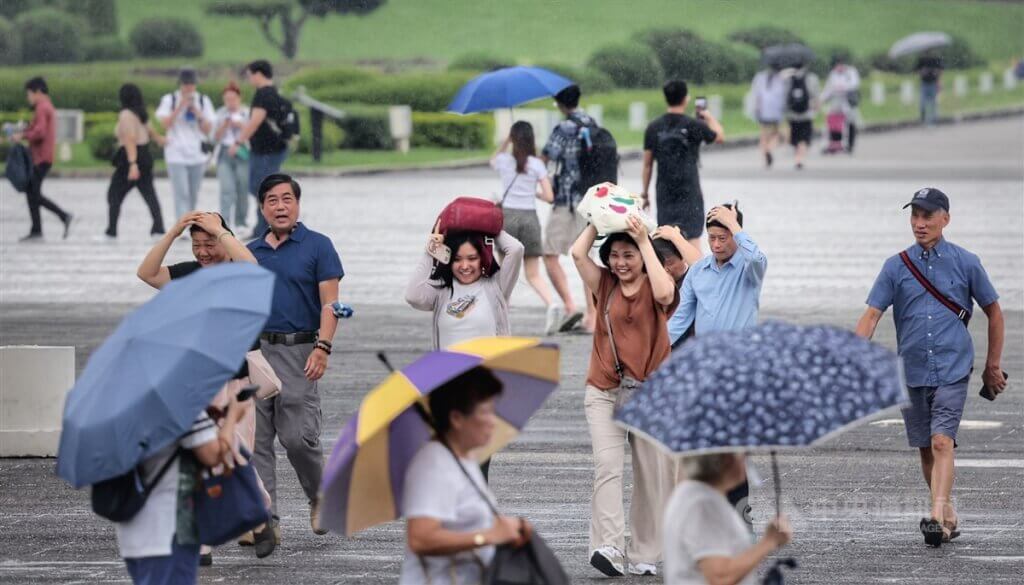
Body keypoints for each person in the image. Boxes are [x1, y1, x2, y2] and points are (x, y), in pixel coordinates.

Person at [855, 187, 1005, 547]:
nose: (920, 224)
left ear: (945, 219)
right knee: (926, 447)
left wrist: (992, 365)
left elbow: (994, 312)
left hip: (954, 365)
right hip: (912, 369)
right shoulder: (895, 266)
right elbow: (872, 314)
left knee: (942, 441)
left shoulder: (966, 261)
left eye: (927, 216)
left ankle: (936, 516)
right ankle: (948, 513)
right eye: (915, 216)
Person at [136, 211, 272, 564]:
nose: (203, 252)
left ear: (224, 239)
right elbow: (147, 273)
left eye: (208, 243)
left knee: (236, 452)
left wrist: (220, 231)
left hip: (237, 381)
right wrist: (173, 233)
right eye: (196, 245)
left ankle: (261, 511)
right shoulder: (188, 274)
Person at [571, 216, 679, 577]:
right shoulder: (605, 283)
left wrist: (642, 238)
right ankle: (609, 546)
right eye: (614, 255)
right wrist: (595, 217)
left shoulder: (657, 286)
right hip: (604, 389)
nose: (620, 262)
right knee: (608, 468)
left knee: (652, 475)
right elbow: (576, 253)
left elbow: (666, 293)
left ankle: (644, 552)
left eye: (628, 255)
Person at [246, 174, 344, 552]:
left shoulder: (318, 246)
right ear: (262, 208)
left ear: (298, 205)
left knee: (297, 438)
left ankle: (319, 496)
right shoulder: (248, 251)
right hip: (256, 352)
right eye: (272, 200)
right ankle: (265, 520)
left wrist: (323, 347)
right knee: (257, 441)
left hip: (301, 350)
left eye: (287, 199)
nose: (281, 206)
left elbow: (330, 304)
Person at [667, 203, 767, 529]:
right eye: (712, 237)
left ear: (735, 235)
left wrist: (734, 224)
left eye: (723, 237)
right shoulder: (698, 271)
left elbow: (758, 259)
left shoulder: (747, 270)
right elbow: (679, 322)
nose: (717, 244)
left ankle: (740, 513)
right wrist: (653, 353)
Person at [402, 367, 531, 584]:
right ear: (457, 418)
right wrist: (487, 537)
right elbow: (420, 538)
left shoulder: (465, 459)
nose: (493, 421)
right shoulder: (434, 465)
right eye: (485, 412)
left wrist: (506, 528)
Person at [116, 396, 250, 584]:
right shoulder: (182, 404)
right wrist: (233, 416)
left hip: (132, 529)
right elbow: (213, 454)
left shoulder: (126, 409)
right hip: (172, 528)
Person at [663, 453, 793, 585]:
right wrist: (769, 541)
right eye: (744, 457)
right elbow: (720, 577)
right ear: (728, 460)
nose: (747, 464)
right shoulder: (705, 506)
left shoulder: (690, 492)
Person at [490, 121, 565, 334]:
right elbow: (550, 197)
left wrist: (505, 141)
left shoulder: (504, 160)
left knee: (505, 268)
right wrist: (534, 193)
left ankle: (501, 310)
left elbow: (492, 160)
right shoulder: (536, 164)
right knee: (533, 274)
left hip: (509, 217)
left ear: (514, 139)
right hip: (530, 219)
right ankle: (551, 304)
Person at [405, 222, 524, 350]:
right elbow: (413, 296)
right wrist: (431, 250)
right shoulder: (441, 291)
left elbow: (516, 249)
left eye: (472, 258)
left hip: (486, 368)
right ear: (449, 259)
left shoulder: (496, 287)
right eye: (457, 259)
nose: (465, 266)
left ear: (482, 258)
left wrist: (489, 227)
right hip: (450, 368)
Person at [641, 80, 724, 246]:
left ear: (666, 98)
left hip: (665, 192)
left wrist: (645, 194)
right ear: (686, 99)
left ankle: (668, 272)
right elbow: (720, 136)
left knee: (667, 240)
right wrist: (707, 116)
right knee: (692, 238)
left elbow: (647, 165)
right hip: (689, 191)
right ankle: (695, 271)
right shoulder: (694, 125)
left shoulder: (654, 127)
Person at [541, 84, 595, 332]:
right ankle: (592, 317)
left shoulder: (563, 128)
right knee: (585, 257)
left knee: (550, 254)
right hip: (590, 201)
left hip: (566, 201)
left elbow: (544, 158)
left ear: (561, 104)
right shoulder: (592, 123)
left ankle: (570, 305)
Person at [11, 77, 73, 242]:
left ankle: (63, 216)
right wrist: (25, 129)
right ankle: (37, 229)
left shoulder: (42, 107)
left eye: (29, 94)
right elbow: (38, 129)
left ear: (37, 91)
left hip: (41, 158)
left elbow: (40, 132)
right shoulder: (46, 106)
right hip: (42, 157)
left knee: (34, 194)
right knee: (32, 193)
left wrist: (22, 135)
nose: (28, 98)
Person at [233, 60, 290, 239]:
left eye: (250, 75)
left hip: (265, 150)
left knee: (260, 188)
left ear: (258, 74)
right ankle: (264, 225)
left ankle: (267, 226)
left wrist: (238, 141)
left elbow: (256, 121)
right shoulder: (275, 92)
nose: (249, 79)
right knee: (264, 188)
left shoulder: (263, 94)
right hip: (276, 149)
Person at [105, 83, 167, 239]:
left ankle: (111, 231)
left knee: (114, 194)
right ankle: (158, 227)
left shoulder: (126, 114)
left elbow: (130, 139)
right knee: (149, 193)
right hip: (145, 155)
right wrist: (159, 139)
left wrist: (132, 164)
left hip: (130, 157)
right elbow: (150, 130)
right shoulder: (140, 113)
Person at [157, 67, 216, 223]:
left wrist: (197, 112)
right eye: (186, 84)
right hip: (176, 153)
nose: (189, 87)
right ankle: (181, 224)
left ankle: (191, 222)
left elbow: (208, 129)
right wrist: (180, 107)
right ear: (180, 84)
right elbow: (166, 124)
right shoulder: (169, 100)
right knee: (181, 192)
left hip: (197, 154)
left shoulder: (203, 100)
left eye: (192, 84)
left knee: (193, 193)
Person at [214, 82, 251, 229]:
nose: (230, 102)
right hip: (225, 152)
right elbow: (214, 137)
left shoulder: (247, 113)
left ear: (239, 98)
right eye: (227, 99)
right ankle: (224, 221)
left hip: (243, 152)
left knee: (243, 187)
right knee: (226, 188)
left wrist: (240, 125)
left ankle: (241, 221)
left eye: (233, 99)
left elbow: (252, 132)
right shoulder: (220, 114)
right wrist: (224, 125)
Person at [820, 55, 862, 153]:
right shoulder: (833, 74)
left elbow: (855, 84)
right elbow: (828, 89)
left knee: (851, 122)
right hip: (836, 101)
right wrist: (821, 99)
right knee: (833, 122)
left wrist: (842, 87)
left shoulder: (851, 72)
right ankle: (835, 144)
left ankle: (850, 145)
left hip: (848, 101)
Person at [784, 63, 821, 170]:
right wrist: (817, 109)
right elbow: (816, 95)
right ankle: (800, 159)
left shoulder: (788, 78)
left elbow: (784, 96)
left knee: (795, 137)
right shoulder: (812, 78)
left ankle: (797, 157)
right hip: (807, 113)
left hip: (792, 114)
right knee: (804, 138)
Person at [750, 65, 787, 168]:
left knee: (763, 135)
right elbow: (784, 96)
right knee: (775, 134)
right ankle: (770, 148)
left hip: (763, 112)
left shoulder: (760, 77)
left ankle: (765, 154)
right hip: (776, 112)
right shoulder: (780, 78)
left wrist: (756, 109)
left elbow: (755, 94)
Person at [916, 53, 944, 127]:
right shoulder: (922, 61)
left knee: (933, 103)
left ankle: (933, 120)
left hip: (933, 83)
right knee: (922, 103)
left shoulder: (936, 60)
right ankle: (923, 119)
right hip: (924, 84)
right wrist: (923, 72)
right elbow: (917, 71)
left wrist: (936, 73)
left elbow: (941, 71)